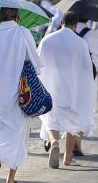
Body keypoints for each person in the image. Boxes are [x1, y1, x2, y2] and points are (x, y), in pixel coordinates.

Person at [0, 7, 41, 183]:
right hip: (19, 91)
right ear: (17, 16)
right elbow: (35, 62)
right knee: (18, 135)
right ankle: (10, 181)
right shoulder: (23, 33)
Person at [38, 11, 94, 168]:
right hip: (72, 89)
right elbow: (87, 69)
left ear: (61, 22)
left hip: (51, 87)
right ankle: (68, 157)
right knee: (72, 123)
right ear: (76, 25)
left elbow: (38, 63)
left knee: (50, 121)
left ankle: (54, 142)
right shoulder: (80, 42)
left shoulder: (47, 40)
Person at [74, 19, 98, 156]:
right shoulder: (93, 34)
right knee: (84, 108)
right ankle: (77, 143)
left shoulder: (62, 33)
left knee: (68, 107)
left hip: (67, 76)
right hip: (87, 76)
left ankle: (56, 139)